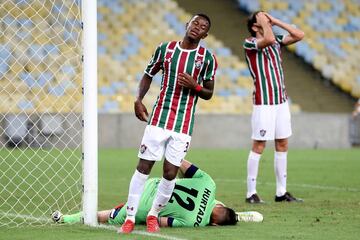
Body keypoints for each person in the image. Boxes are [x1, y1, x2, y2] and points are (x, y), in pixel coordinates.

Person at [121, 13, 217, 233]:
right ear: (187, 24)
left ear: (205, 34)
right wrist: (138, 99)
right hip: (158, 119)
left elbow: (209, 92)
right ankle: (130, 217)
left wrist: (196, 86)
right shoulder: (165, 50)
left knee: (170, 172)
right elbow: (148, 74)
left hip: (183, 124)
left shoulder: (207, 59)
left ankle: (154, 214)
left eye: (202, 26)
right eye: (195, 23)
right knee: (143, 167)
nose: (197, 27)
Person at [52, 160, 263, 227]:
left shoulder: (209, 184)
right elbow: (161, 221)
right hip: (146, 207)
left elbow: (181, 163)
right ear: (215, 224)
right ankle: (64, 219)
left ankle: (66, 219)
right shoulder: (191, 222)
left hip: (154, 183)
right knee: (105, 216)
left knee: (209, 194)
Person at [243, 11, 305, 203]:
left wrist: (275, 20)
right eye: (263, 18)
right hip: (264, 102)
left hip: (281, 101)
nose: (267, 19)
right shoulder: (249, 42)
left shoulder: (276, 38)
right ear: (255, 26)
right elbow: (268, 38)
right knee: (260, 144)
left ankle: (281, 192)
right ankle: (251, 193)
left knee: (282, 143)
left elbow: (299, 35)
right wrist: (264, 22)